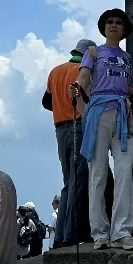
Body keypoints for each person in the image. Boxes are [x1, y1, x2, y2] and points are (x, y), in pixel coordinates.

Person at [74, 8, 133, 252]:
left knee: (124, 171)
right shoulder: (93, 52)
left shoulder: (127, 58)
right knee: (98, 175)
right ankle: (99, 234)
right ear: (103, 27)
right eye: (109, 22)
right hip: (97, 113)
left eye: (118, 22)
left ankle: (122, 232)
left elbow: (130, 88)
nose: (113, 25)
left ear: (124, 30)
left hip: (123, 113)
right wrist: (79, 100)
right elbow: (82, 79)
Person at [43, 37, 96, 248]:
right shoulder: (84, 72)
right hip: (80, 125)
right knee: (79, 181)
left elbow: (46, 102)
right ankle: (72, 235)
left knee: (68, 183)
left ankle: (60, 236)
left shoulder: (55, 71)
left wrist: (61, 104)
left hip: (60, 130)